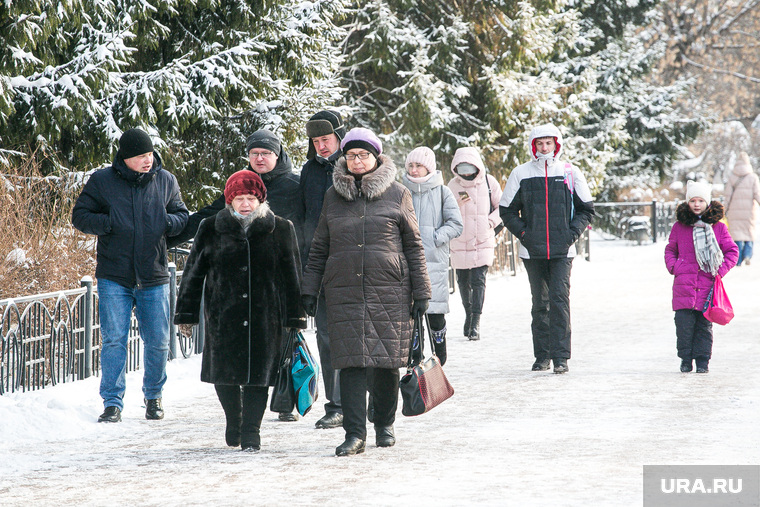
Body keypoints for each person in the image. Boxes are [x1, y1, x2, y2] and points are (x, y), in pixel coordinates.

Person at [301, 128, 431, 456]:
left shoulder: (398, 193)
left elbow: (413, 245)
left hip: (390, 290)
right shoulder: (333, 195)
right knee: (350, 363)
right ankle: (354, 433)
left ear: (376, 158)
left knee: (386, 363)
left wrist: (422, 291)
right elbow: (320, 246)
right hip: (343, 291)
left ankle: (384, 425)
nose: (357, 161)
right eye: (351, 155)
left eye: (363, 155)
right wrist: (309, 290)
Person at [167, 129, 304, 422]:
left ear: (277, 156)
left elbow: (294, 267)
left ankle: (255, 427)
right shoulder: (218, 217)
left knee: (262, 371)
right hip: (224, 312)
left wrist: (298, 313)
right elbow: (194, 270)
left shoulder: (294, 190)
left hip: (266, 309)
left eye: (265, 153)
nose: (260, 158)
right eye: (254, 153)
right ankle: (235, 419)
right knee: (224, 372)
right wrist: (165, 239)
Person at [71, 128, 189, 422]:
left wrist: (165, 222)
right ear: (125, 158)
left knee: (159, 341)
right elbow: (80, 216)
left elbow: (182, 217)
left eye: (149, 154)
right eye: (140, 156)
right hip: (115, 275)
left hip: (154, 273)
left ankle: (153, 397)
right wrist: (109, 222)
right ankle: (112, 402)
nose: (147, 161)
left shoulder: (166, 180)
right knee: (113, 340)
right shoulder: (102, 181)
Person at [499, 123, 594, 374]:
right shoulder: (520, 173)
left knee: (559, 301)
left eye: (548, 143)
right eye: (539, 143)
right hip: (532, 251)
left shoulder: (570, 172)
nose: (544, 148)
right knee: (540, 303)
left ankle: (561, 357)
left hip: (563, 251)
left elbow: (586, 208)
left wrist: (571, 234)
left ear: (556, 144)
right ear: (533, 146)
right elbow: (506, 210)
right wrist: (524, 234)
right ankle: (542, 356)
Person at [299, 110, 346, 430]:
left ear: (340, 137)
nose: (321, 146)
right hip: (323, 268)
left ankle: (367, 398)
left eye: (326, 139)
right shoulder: (309, 172)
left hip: (360, 267)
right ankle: (337, 404)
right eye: (315, 141)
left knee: (363, 335)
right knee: (328, 338)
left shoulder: (357, 163)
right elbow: (305, 223)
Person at [664, 181, 738, 373]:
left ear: (707, 202)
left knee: (704, 327)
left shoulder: (718, 228)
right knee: (684, 326)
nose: (696, 204)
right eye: (693, 200)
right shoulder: (679, 227)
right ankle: (685, 360)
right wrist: (675, 266)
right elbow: (670, 249)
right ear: (688, 202)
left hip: (707, 286)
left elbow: (732, 251)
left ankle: (703, 362)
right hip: (684, 286)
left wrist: (720, 271)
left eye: (701, 200)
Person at [401, 146, 463, 364]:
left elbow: (456, 224)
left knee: (434, 312)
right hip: (407, 263)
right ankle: (415, 355)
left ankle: (440, 347)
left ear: (429, 168)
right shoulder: (400, 191)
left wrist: (435, 237)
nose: (414, 170)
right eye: (411, 165)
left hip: (434, 262)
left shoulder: (442, 192)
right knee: (412, 314)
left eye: (419, 165)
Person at [447, 147, 503, 341]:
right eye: (462, 168)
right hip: (459, 240)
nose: (466, 173)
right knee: (462, 281)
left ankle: (475, 322)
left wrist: (490, 222)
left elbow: (502, 207)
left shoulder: (489, 182)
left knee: (478, 281)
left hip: (482, 240)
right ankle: (468, 315)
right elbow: (446, 211)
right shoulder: (452, 186)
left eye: (469, 168)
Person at [723, 151, 760, 266]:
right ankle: (748, 255)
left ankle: (737, 260)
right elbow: (757, 194)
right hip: (749, 211)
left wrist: (723, 210)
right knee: (749, 233)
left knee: (737, 235)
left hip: (734, 212)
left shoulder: (732, 177)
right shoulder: (753, 177)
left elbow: (727, 196)